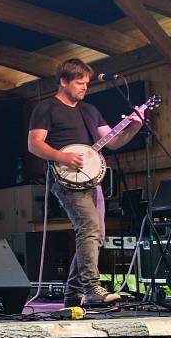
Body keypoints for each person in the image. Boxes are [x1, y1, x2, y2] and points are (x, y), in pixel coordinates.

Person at [28, 58, 143, 307]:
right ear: (63, 81)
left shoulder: (90, 111)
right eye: (79, 83)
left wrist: (134, 126)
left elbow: (113, 141)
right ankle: (91, 287)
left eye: (87, 83)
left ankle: (73, 293)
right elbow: (34, 144)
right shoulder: (46, 108)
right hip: (65, 179)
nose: (84, 88)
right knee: (89, 227)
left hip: (93, 179)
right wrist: (63, 156)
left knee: (96, 234)